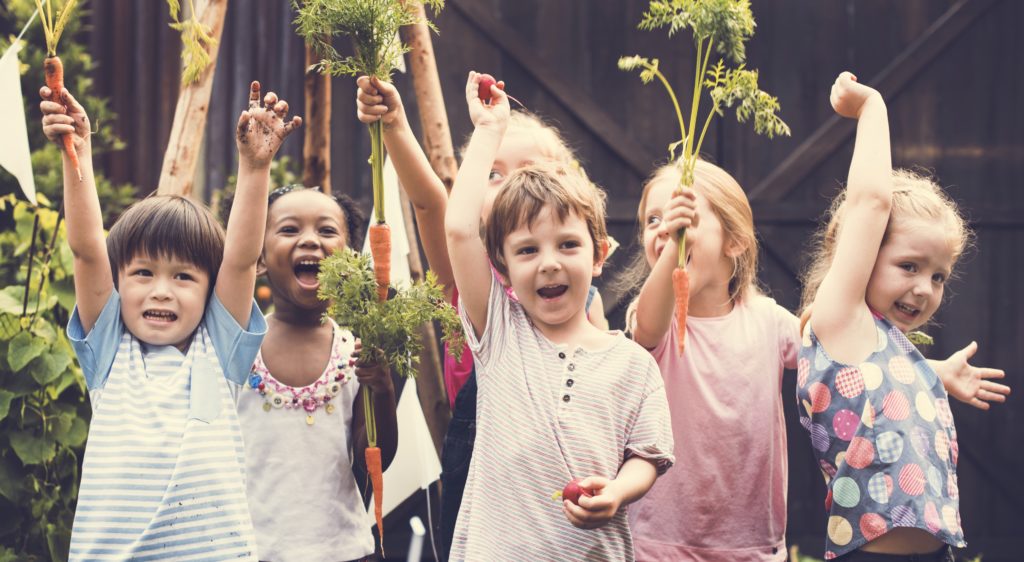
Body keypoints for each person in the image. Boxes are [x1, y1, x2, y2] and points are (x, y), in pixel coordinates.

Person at [42, 81, 300, 560]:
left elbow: (241, 259)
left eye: (183, 276)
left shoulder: (219, 348)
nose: (161, 290)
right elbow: (87, 250)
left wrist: (254, 167)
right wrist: (77, 152)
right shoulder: (109, 349)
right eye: (143, 273)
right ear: (118, 282)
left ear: (209, 289)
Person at [355, 74, 608, 556]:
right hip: (483, 463)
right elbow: (430, 203)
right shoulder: (471, 276)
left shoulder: (582, 295)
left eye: (531, 171)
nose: (512, 183)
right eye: (493, 173)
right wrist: (396, 125)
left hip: (564, 460)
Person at [442, 71, 674, 561]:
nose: (548, 263)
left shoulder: (632, 364)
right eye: (527, 250)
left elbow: (648, 455)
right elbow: (459, 230)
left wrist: (618, 491)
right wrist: (488, 131)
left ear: (599, 254)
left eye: (568, 245)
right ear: (502, 264)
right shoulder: (500, 332)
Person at [797, 72, 1009, 561]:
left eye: (938, 276)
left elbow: (871, 383)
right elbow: (871, 202)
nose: (924, 288)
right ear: (861, 251)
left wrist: (932, 373)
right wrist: (871, 106)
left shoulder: (878, 347)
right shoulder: (840, 319)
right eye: (909, 266)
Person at [623, 159, 800, 561]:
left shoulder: (769, 321)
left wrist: (930, 372)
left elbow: (834, 354)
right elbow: (648, 325)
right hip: (659, 545)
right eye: (653, 220)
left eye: (684, 218)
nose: (666, 228)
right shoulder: (655, 319)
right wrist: (677, 242)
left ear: (733, 241)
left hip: (750, 546)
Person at [232, 183, 397, 562]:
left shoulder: (355, 352)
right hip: (253, 550)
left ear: (350, 260)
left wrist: (383, 389)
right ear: (259, 257)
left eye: (326, 230)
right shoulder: (238, 349)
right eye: (290, 229)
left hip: (341, 550)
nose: (310, 240)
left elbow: (373, 461)